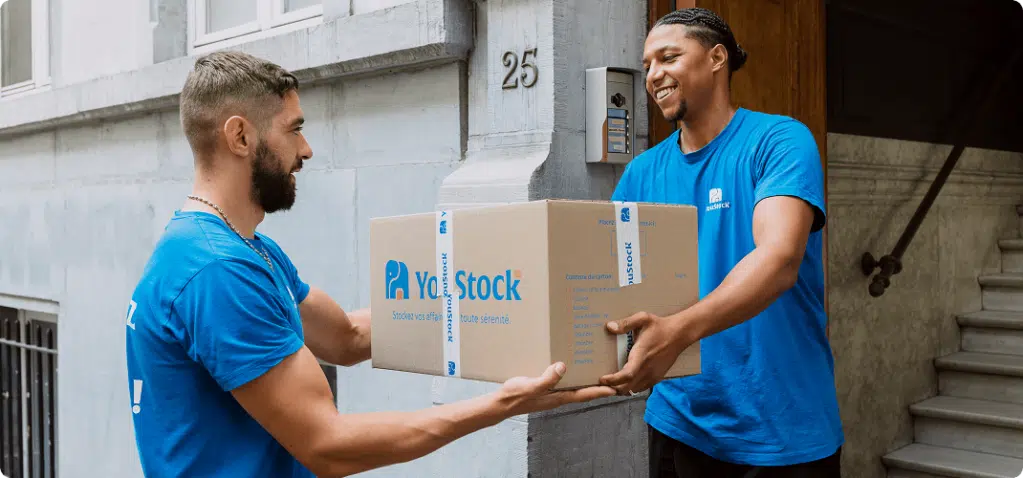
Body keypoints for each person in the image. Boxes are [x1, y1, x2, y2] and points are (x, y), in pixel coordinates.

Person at [124, 50, 615, 478]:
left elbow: (347, 337)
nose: (306, 150)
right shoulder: (216, 270)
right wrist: (502, 405)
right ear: (240, 137)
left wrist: (510, 299)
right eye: (294, 130)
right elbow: (329, 446)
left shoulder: (246, 249)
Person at [599, 8, 844, 478]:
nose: (654, 75)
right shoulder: (641, 173)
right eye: (648, 64)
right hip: (680, 421)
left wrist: (678, 331)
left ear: (716, 58)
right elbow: (609, 277)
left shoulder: (778, 141)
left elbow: (779, 259)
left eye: (668, 57)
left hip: (782, 427)